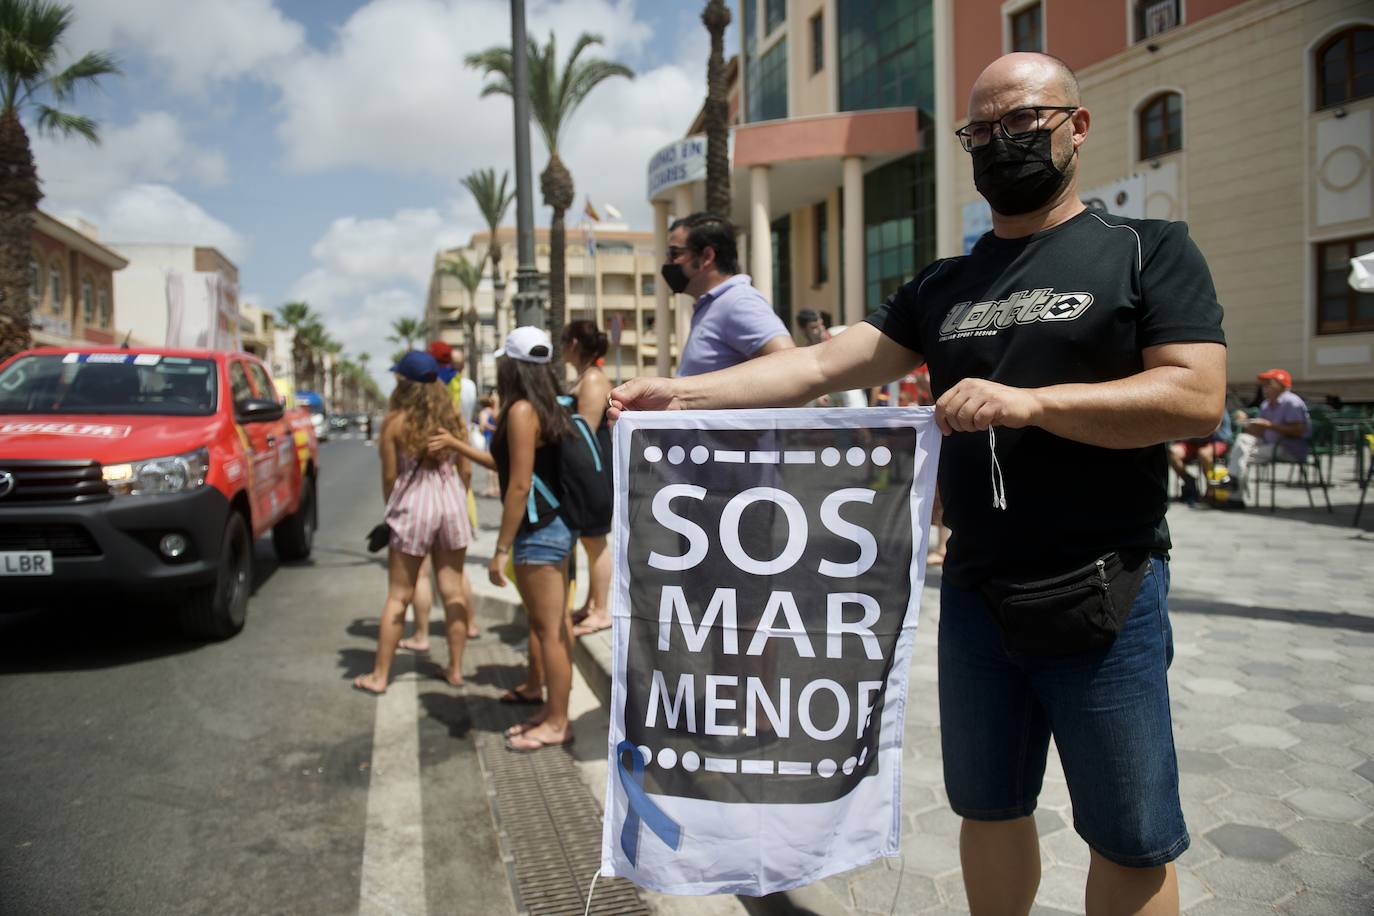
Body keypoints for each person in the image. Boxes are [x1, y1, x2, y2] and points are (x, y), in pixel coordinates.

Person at [609, 52, 1226, 916]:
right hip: (976, 593)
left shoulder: (1145, 249)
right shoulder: (946, 283)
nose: (1000, 144)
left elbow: (1196, 396)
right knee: (988, 808)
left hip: (1105, 589)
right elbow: (823, 365)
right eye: (982, 131)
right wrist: (678, 393)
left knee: (1129, 836)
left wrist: (1033, 403)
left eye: (1022, 123)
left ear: (1076, 127)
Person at [430, 327, 576, 752]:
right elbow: (504, 463)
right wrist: (460, 445)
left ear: (511, 365)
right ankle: (551, 713)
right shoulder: (547, 405)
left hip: (539, 531)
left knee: (551, 631)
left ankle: (557, 722)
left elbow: (518, 485)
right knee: (555, 628)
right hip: (557, 526)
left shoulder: (520, 410)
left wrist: (499, 550)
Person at [354, 351, 473, 694]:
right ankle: (455, 669)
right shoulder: (453, 419)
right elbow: (465, 470)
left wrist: (397, 508)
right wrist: (453, 496)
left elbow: (390, 477)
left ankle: (380, 676)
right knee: (452, 590)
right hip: (451, 502)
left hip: (413, 506)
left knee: (398, 596)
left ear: (403, 384)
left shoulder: (395, 422)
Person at [664, 212, 794, 376]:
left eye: (674, 253)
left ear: (707, 256)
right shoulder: (712, 305)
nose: (668, 261)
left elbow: (789, 367)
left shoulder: (739, 302)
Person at [561, 320, 615, 637]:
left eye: (564, 339)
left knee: (596, 541)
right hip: (584, 472)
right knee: (589, 540)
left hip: (593, 471)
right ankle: (590, 604)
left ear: (575, 344)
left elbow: (584, 434)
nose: (561, 345)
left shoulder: (593, 380)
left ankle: (601, 611)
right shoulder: (585, 377)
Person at [1229, 368, 1311, 499]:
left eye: (1268, 383)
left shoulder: (1291, 402)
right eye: (1264, 383)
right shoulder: (1266, 404)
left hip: (1289, 447)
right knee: (1242, 440)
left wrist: (1269, 425)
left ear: (1281, 385)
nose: (1264, 386)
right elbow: (1259, 432)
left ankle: (1233, 491)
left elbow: (1298, 432)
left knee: (1238, 456)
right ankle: (1234, 489)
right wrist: (1245, 422)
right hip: (1269, 444)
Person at [1167, 410, 1232, 505]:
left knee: (1204, 454)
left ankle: (1211, 488)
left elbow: (1213, 427)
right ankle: (1189, 481)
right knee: (1173, 452)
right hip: (1193, 441)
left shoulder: (1215, 403)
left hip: (1216, 440)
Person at [478, 393, 500, 497]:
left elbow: (483, 426)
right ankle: (497, 488)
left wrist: (492, 429)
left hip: (489, 439)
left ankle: (491, 488)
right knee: (496, 465)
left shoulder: (484, 412)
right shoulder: (496, 412)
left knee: (489, 466)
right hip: (497, 439)